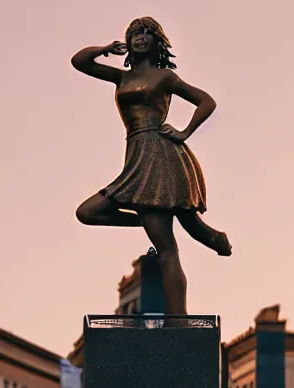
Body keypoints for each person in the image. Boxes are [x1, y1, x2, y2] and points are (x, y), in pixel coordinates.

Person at [71, 17, 232, 314]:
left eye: (145, 33)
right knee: (87, 212)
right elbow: (79, 61)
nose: (139, 37)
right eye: (134, 33)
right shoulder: (122, 77)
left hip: (160, 153)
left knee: (167, 248)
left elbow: (206, 101)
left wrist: (184, 132)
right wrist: (105, 48)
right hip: (136, 153)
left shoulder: (165, 78)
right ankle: (211, 237)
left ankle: (178, 322)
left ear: (156, 41)